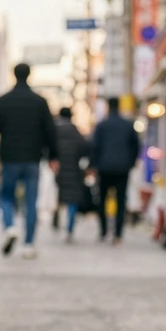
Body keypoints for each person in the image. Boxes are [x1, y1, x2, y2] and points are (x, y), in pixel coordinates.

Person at [0, 62, 58, 259]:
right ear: (29, 76)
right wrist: (53, 156)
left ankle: (10, 226)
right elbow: (50, 131)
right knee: (31, 201)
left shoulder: (4, 100)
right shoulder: (39, 102)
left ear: (13, 75)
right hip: (33, 158)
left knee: (6, 196)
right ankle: (28, 244)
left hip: (9, 157)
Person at [90, 97, 141, 245]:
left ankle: (103, 231)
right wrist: (131, 163)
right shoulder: (127, 124)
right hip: (122, 169)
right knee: (120, 201)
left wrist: (93, 165)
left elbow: (95, 147)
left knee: (102, 200)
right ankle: (118, 234)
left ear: (107, 106)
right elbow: (135, 146)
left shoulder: (101, 125)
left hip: (104, 168)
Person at [53, 107, 90, 243]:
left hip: (58, 170)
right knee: (72, 201)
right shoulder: (76, 132)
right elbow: (85, 148)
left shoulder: (54, 131)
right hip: (74, 170)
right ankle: (69, 229)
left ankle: (55, 220)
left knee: (56, 197)